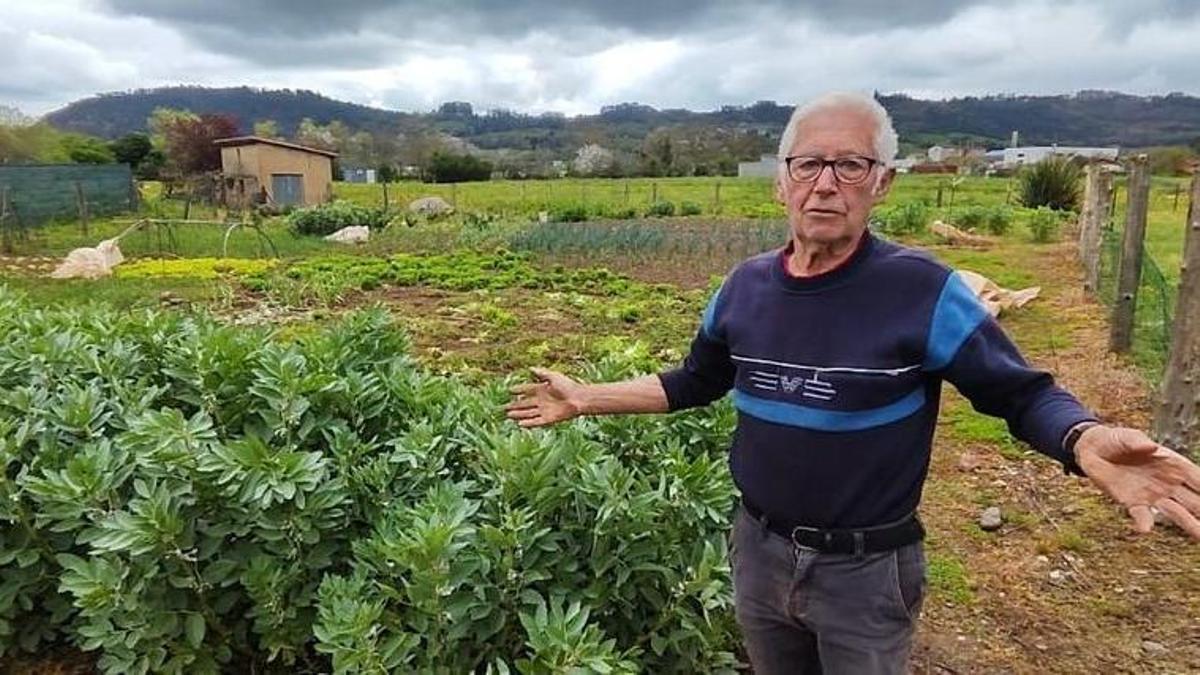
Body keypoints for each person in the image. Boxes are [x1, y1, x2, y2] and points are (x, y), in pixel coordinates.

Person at [504, 91, 1200, 674]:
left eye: (851, 163)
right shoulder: (742, 288)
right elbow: (695, 380)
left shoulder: (923, 290)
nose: (826, 182)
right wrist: (585, 397)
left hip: (865, 572)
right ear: (782, 178)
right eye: (808, 163)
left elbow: (1019, 392)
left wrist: (1081, 437)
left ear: (883, 181)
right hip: (759, 552)